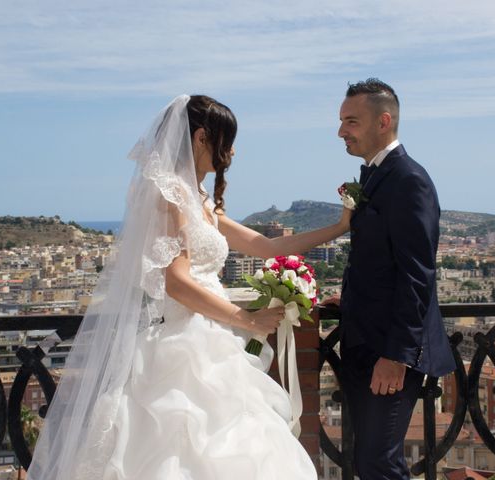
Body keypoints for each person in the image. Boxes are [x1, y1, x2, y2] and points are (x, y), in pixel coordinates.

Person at [27, 94, 351, 480]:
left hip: (211, 336)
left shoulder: (198, 200)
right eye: (226, 142)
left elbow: (267, 247)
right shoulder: (171, 197)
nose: (231, 152)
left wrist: (340, 226)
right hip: (183, 341)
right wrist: (245, 319)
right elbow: (176, 282)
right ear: (201, 138)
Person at [337, 79, 456, 479]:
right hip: (364, 344)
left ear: (383, 121)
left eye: (351, 121)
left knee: (380, 463)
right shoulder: (375, 176)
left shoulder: (409, 181)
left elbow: (417, 275)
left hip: (390, 351)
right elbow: (377, 261)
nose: (341, 132)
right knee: (366, 461)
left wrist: (396, 357)